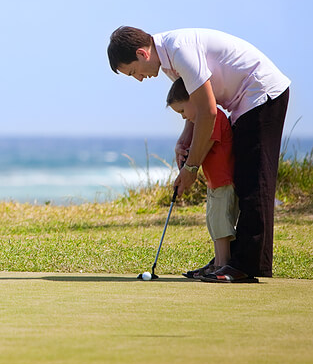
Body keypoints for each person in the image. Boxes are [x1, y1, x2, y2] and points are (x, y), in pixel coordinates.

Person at [107, 26, 290, 283]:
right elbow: (196, 106)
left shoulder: (180, 53)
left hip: (261, 94)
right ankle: (227, 262)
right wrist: (185, 137)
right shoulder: (170, 63)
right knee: (244, 178)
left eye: (133, 71)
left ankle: (244, 266)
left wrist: (191, 168)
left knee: (254, 182)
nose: (138, 78)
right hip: (244, 102)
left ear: (142, 53)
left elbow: (208, 112)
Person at [166, 78, 238, 279]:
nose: (183, 117)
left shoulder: (212, 118)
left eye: (182, 111)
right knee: (213, 222)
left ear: (193, 99)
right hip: (214, 182)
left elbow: (205, 147)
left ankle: (223, 264)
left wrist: (191, 162)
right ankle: (217, 263)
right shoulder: (201, 122)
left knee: (221, 223)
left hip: (224, 181)